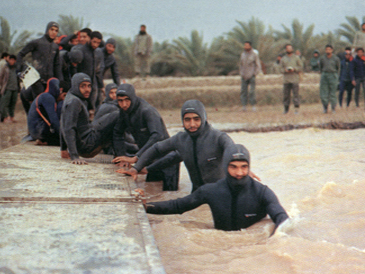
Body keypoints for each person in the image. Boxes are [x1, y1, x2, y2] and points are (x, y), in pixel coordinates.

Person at [145, 144, 289, 236]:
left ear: (249, 167)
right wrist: (145, 206)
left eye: (244, 167)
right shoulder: (211, 191)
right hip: (221, 245)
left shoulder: (262, 192)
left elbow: (282, 218)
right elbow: (177, 206)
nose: (239, 173)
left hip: (252, 249)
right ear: (225, 167)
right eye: (234, 167)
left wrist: (272, 243)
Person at [115, 99, 235, 193]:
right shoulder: (181, 139)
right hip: (197, 195)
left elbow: (233, 150)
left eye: (196, 119)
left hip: (221, 195)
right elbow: (157, 148)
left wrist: (242, 167)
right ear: (182, 121)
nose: (192, 124)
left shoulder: (219, 138)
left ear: (204, 119)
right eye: (187, 120)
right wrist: (137, 168)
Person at [112, 84, 179, 191]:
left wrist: (136, 157)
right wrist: (122, 156)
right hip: (149, 157)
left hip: (167, 158)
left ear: (133, 98)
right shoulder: (124, 112)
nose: (124, 104)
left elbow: (157, 136)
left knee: (169, 193)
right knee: (152, 190)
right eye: (120, 101)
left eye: (127, 100)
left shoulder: (147, 111)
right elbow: (117, 132)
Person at [60, 73, 119, 165]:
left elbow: (62, 122)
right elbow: (68, 128)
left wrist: (63, 149)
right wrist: (74, 156)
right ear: (75, 86)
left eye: (89, 86)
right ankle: (120, 156)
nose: (87, 90)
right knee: (117, 115)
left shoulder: (70, 96)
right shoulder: (74, 102)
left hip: (86, 139)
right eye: (83, 86)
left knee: (109, 117)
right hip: (87, 146)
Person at [16, 21, 63, 99]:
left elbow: (57, 65)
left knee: (49, 103)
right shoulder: (36, 43)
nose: (54, 32)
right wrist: (20, 69)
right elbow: (20, 54)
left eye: (56, 31)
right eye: (52, 29)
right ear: (47, 30)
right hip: (36, 80)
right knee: (39, 102)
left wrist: (60, 82)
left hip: (50, 81)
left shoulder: (55, 47)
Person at [27, 78, 69, 145]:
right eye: (64, 95)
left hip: (37, 130)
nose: (63, 98)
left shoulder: (46, 96)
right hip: (38, 131)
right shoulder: (47, 97)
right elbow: (54, 120)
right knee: (68, 142)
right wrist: (63, 136)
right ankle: (45, 141)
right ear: (60, 90)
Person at [76, 31, 104, 110]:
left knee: (92, 106)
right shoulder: (81, 50)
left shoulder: (98, 52)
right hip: (81, 84)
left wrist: (101, 85)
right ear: (89, 39)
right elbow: (75, 69)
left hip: (92, 83)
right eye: (94, 42)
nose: (95, 45)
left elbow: (98, 71)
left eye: (98, 43)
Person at [279, 44, 303, 114]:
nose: (289, 50)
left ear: (292, 49)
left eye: (290, 48)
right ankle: (286, 109)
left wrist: (294, 69)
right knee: (286, 95)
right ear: (286, 50)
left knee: (296, 94)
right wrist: (285, 70)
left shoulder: (296, 58)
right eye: (287, 48)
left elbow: (301, 67)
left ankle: (296, 109)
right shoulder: (283, 59)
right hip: (286, 80)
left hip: (295, 79)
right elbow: (280, 68)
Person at [239, 41, 262, 111]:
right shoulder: (243, 54)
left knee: (252, 91)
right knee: (243, 91)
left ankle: (253, 105)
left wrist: (254, 73)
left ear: (250, 46)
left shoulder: (254, 55)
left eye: (247, 45)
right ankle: (244, 106)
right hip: (244, 76)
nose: (245, 47)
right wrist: (241, 73)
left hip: (251, 75)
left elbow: (258, 65)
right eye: (245, 45)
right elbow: (241, 64)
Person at [319, 44, 340, 113]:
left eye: (329, 49)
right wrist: (323, 74)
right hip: (324, 75)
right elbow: (321, 67)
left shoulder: (336, 58)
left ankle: (333, 108)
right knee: (324, 92)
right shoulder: (322, 58)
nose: (328, 51)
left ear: (332, 50)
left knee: (333, 93)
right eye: (326, 49)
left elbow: (338, 68)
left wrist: (337, 76)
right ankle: (325, 108)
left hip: (333, 75)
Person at [0, 55, 20, 123]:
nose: (12, 61)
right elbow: (0, 78)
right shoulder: (5, 67)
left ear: (15, 61)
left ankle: (11, 117)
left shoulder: (16, 68)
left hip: (15, 88)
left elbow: (18, 77)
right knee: (5, 104)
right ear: (9, 60)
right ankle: (5, 118)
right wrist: (3, 86)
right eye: (11, 60)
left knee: (13, 104)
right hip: (7, 89)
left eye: (13, 60)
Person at [0, 52, 9, 121]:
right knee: (4, 102)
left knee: (1, 102)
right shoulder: (4, 64)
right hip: (3, 86)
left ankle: (2, 117)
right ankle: (4, 117)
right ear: (5, 57)